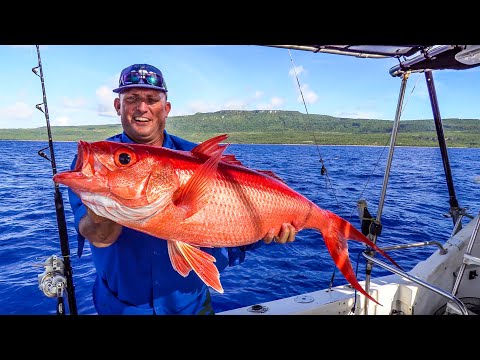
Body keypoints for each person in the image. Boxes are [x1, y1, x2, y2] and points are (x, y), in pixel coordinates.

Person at [67, 63, 297, 315]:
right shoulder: (97, 162)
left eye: (151, 99)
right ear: (117, 106)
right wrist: (105, 192)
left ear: (165, 109)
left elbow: (235, 224)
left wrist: (269, 233)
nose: (141, 107)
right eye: (131, 98)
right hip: (120, 307)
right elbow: (100, 237)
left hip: (192, 306)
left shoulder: (199, 159)